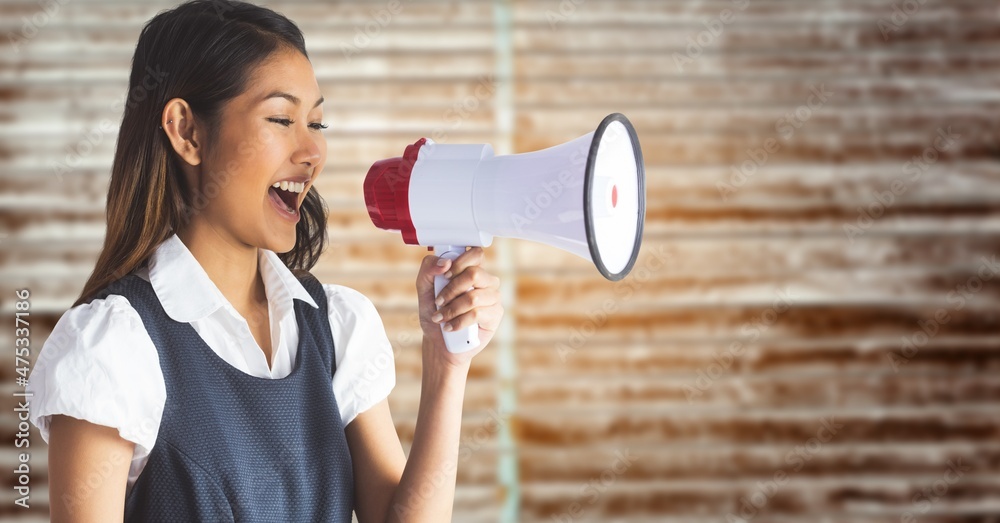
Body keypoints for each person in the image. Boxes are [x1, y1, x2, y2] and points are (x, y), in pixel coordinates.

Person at [25, 1, 503, 521]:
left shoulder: (337, 328)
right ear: (187, 131)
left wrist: (446, 366)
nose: (312, 151)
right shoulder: (113, 346)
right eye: (280, 118)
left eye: (317, 122)